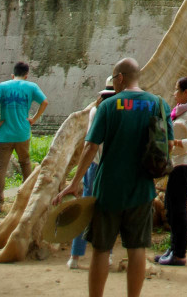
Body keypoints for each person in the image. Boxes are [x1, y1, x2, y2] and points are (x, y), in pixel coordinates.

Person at [54, 57, 173, 297]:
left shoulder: (108, 106)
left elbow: (90, 148)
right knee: (137, 249)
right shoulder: (159, 104)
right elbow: (168, 144)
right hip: (141, 190)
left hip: (108, 189)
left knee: (100, 249)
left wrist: (74, 184)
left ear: (119, 78)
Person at [67, 77, 115, 270]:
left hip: (93, 165)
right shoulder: (117, 111)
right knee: (108, 211)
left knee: (86, 209)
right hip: (110, 167)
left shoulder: (96, 110)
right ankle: (107, 255)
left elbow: (90, 143)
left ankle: (75, 257)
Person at [155, 74, 187, 267]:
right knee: (171, 207)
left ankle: (179, 253)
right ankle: (173, 248)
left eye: (177, 90)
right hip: (177, 164)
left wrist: (175, 143)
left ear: (185, 93)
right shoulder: (179, 112)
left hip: (185, 165)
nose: (174, 93)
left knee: (178, 209)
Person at [0, 60, 48, 213]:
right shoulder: (31, 86)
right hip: (23, 133)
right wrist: (34, 119)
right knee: (25, 164)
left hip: (5, 134)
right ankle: (28, 197)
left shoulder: (2, 86)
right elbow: (45, 102)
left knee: (1, 167)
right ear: (26, 75)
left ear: (12, 75)